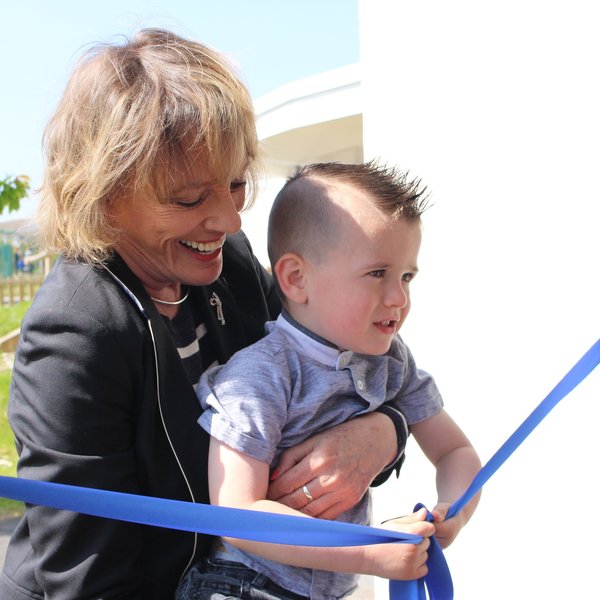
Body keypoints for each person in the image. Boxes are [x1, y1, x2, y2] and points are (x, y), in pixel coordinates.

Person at [0, 31, 411, 600]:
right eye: (189, 199)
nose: (229, 219)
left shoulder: (229, 266)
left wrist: (385, 431)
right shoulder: (75, 334)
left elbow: (331, 375)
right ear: (104, 195)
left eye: (237, 182)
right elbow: (89, 575)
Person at [176, 161, 482, 600]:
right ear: (297, 279)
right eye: (377, 273)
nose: (399, 297)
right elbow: (237, 516)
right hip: (243, 584)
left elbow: (455, 450)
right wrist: (367, 553)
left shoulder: (394, 362)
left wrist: (452, 510)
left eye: (406, 276)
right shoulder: (262, 374)